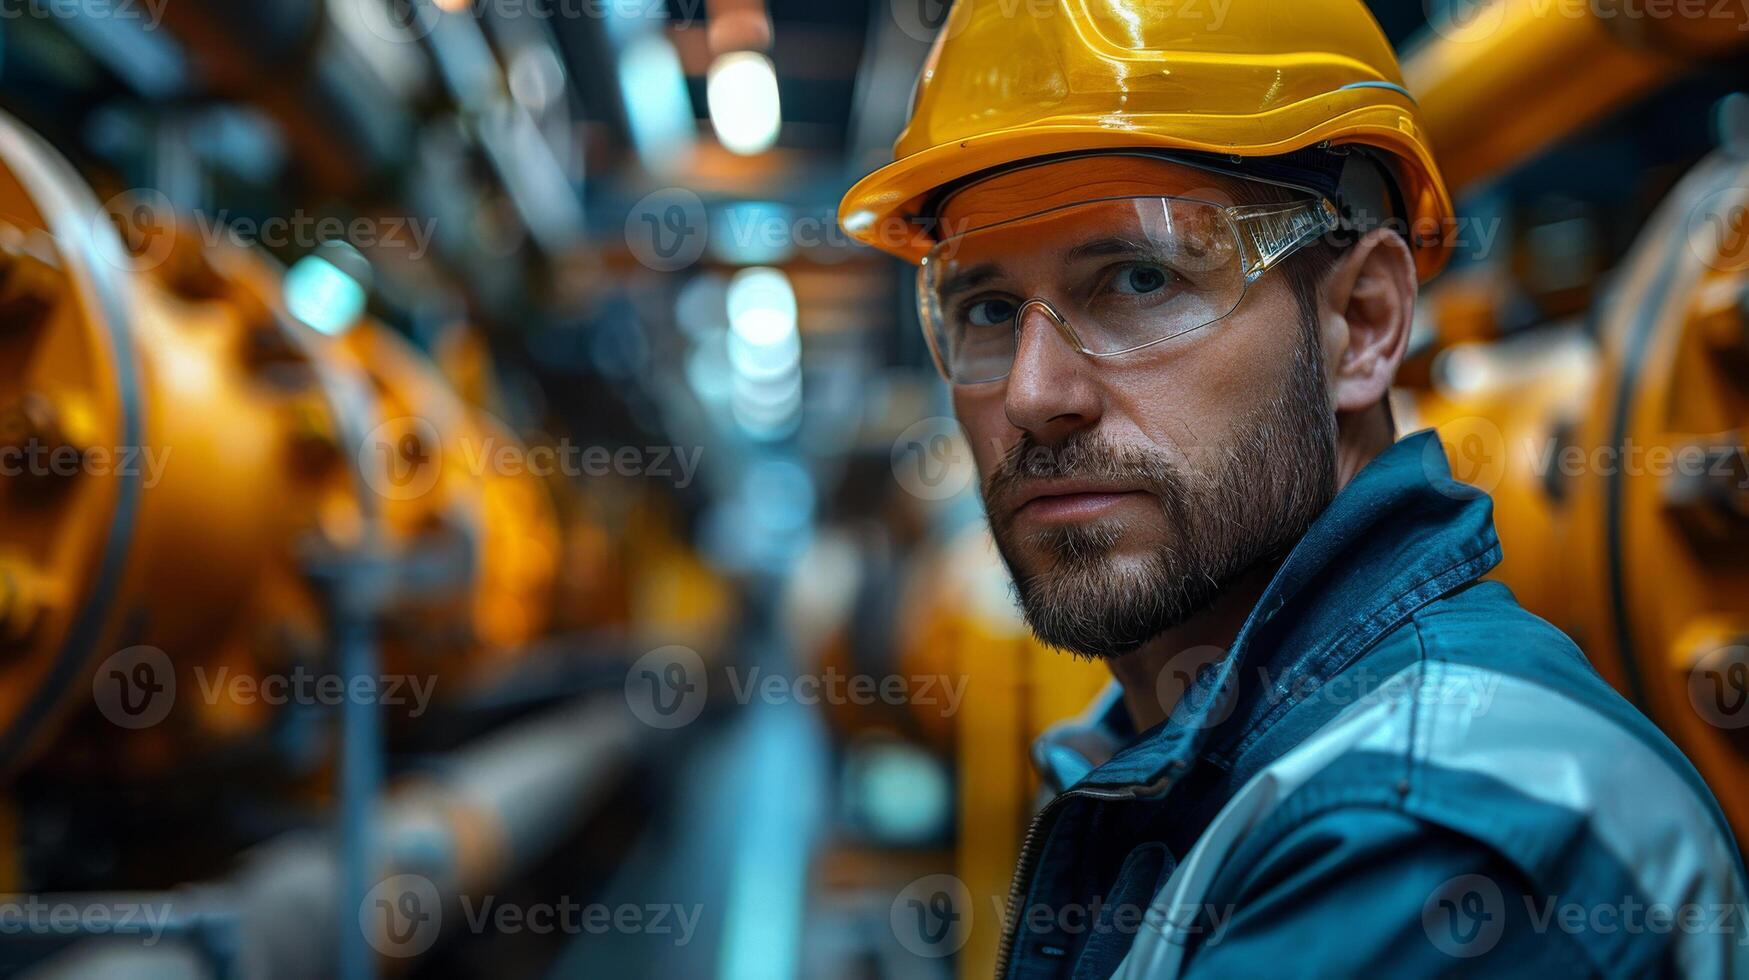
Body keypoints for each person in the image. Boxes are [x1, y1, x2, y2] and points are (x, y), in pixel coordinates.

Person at [838, 1, 1748, 976]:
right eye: (985, 306)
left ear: (1360, 323)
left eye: (1139, 279)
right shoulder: (1181, 762)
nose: (1032, 393)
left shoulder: (1427, 829)